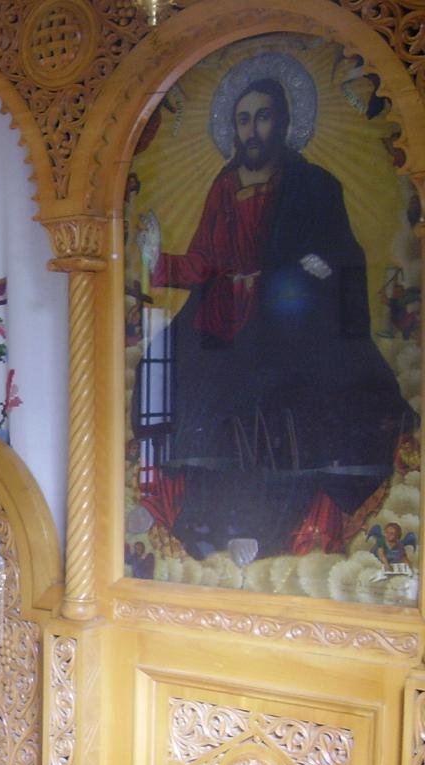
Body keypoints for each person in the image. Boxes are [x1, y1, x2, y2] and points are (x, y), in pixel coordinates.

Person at [133, 74, 414, 560]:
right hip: (223, 317)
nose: (252, 130)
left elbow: (343, 257)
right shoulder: (224, 187)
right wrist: (158, 260)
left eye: (262, 117)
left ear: (282, 122)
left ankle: (277, 521)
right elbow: (204, 262)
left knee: (289, 402)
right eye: (243, 120)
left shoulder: (314, 184)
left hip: (292, 321)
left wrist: (317, 267)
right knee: (167, 375)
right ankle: (192, 511)